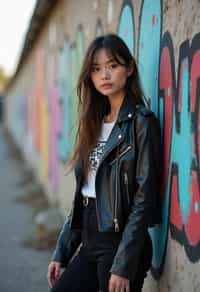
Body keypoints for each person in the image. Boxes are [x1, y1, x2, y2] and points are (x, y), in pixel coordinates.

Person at [47, 33, 162, 292]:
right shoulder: (93, 122)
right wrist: (62, 251)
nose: (104, 75)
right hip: (89, 242)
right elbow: (83, 195)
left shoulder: (141, 123)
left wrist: (123, 265)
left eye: (113, 66)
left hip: (121, 242)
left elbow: (144, 198)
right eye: (96, 69)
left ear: (129, 68)